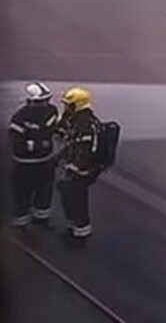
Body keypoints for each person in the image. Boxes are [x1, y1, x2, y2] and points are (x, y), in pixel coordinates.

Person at [8, 82, 60, 228]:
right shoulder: (20, 118)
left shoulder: (52, 111)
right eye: (40, 101)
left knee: (44, 193)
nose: (44, 104)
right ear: (30, 101)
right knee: (22, 195)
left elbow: (55, 128)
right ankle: (20, 227)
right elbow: (17, 145)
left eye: (46, 100)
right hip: (24, 165)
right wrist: (38, 144)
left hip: (45, 162)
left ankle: (42, 220)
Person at [55, 87, 100, 246]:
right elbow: (68, 140)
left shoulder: (84, 124)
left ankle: (80, 236)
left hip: (81, 171)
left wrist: (74, 169)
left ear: (77, 105)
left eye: (69, 105)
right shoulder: (77, 119)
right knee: (69, 197)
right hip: (74, 167)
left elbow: (83, 152)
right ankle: (74, 228)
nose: (66, 107)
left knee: (78, 201)